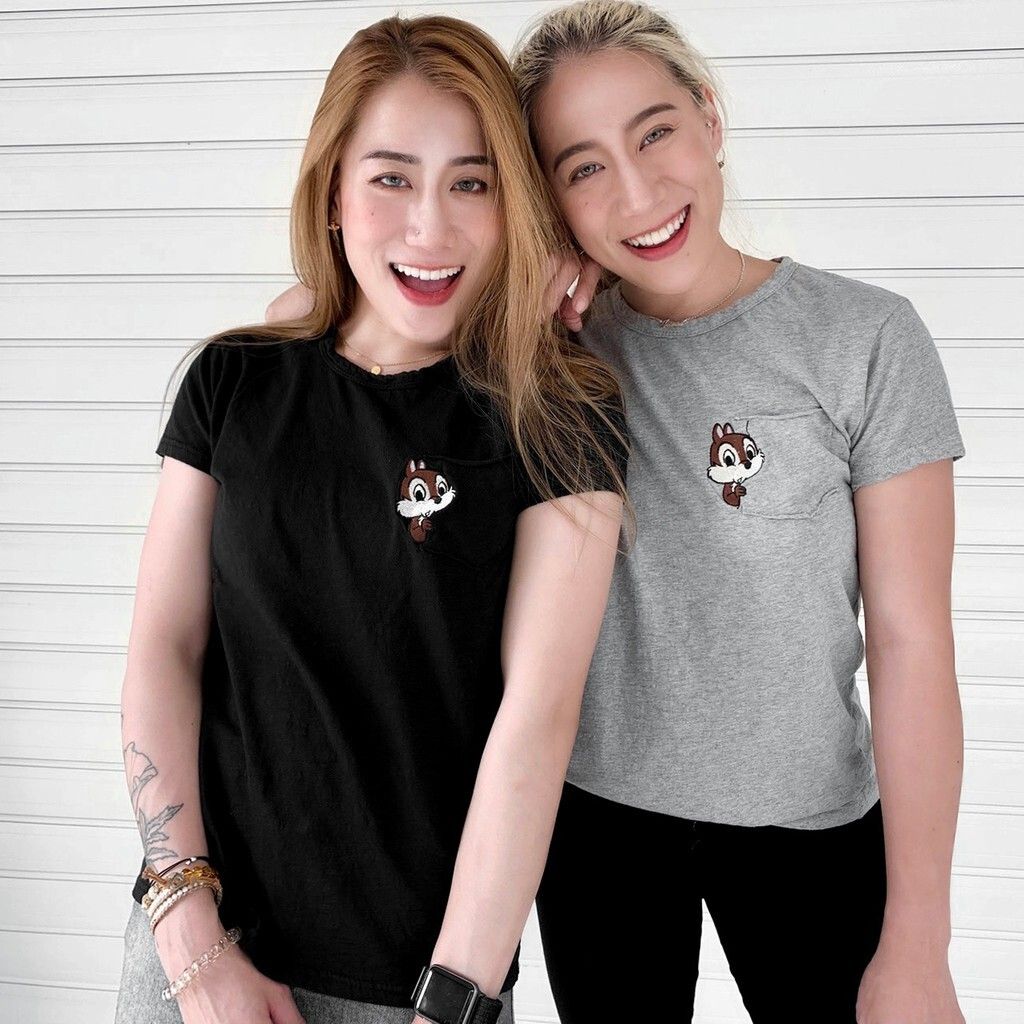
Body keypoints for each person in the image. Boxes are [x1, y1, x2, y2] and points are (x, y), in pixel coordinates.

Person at [268, 2, 968, 1021]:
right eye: (582, 167)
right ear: (544, 196)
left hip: (810, 822)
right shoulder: (544, 346)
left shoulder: (864, 339)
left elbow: (912, 645)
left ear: (710, 120)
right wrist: (523, 293)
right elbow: (310, 320)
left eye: (655, 133)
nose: (636, 192)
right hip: (596, 827)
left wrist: (918, 938)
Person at [114, 13, 629, 1024]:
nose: (430, 227)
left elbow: (536, 721)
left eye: (472, 183)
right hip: (197, 959)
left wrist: (453, 1000)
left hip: (420, 989)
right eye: (391, 178)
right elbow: (163, 649)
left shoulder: (556, 413)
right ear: (334, 194)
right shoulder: (234, 382)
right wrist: (189, 937)